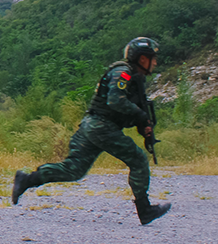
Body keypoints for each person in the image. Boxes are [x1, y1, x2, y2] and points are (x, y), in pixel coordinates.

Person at [12, 37, 171, 225]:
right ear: (142, 59)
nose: (155, 62)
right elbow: (115, 101)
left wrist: (142, 125)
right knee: (138, 160)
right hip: (101, 126)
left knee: (74, 169)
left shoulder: (134, 78)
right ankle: (145, 210)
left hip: (91, 125)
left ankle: (27, 180)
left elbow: (127, 108)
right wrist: (141, 116)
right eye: (153, 58)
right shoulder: (124, 73)